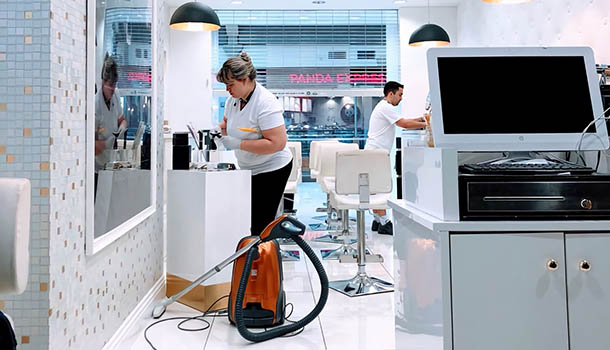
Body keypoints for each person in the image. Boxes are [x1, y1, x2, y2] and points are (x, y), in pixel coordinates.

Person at [215, 52, 293, 236]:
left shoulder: (265, 102)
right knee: (246, 218)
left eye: (230, 84)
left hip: (273, 167)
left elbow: (277, 143)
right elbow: (226, 124)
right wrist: (216, 130)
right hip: (249, 167)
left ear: (245, 80)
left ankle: (262, 261)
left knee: (260, 223)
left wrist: (238, 144)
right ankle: (251, 258)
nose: (227, 89)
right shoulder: (232, 101)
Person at [365, 81, 427, 235]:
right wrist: (428, 125)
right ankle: (385, 222)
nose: (401, 98)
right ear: (390, 93)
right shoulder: (386, 106)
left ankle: (377, 221)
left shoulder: (383, 107)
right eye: (400, 95)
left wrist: (420, 119)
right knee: (379, 190)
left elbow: (404, 120)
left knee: (374, 189)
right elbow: (404, 124)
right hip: (376, 156)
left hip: (374, 154)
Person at [94, 54, 126, 195]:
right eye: (110, 85)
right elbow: (90, 144)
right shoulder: (95, 105)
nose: (112, 89)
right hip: (98, 168)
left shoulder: (116, 95)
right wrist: (100, 144)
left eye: (115, 85)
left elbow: (121, 119)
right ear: (103, 82)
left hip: (112, 163)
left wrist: (122, 127)